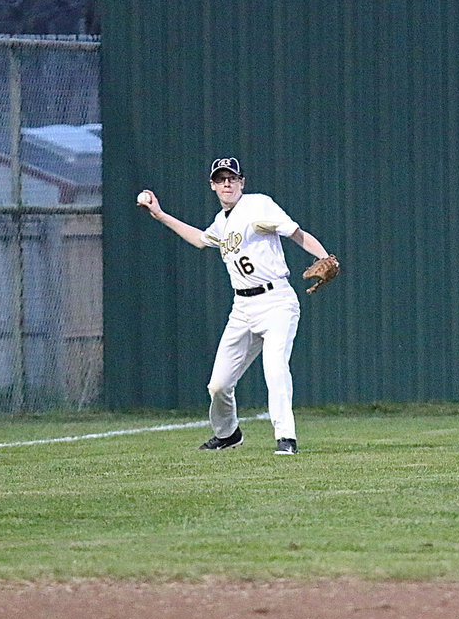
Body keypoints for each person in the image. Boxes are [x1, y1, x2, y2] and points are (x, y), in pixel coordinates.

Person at [137, 157, 334, 455]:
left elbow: (295, 232)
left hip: (276, 301)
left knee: (275, 368)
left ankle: (286, 438)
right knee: (218, 385)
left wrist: (326, 256)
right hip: (242, 308)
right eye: (221, 179)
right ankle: (228, 434)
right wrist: (161, 215)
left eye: (232, 178)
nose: (227, 183)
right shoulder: (221, 221)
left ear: (242, 182)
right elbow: (201, 240)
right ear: (213, 186)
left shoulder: (258, 205)